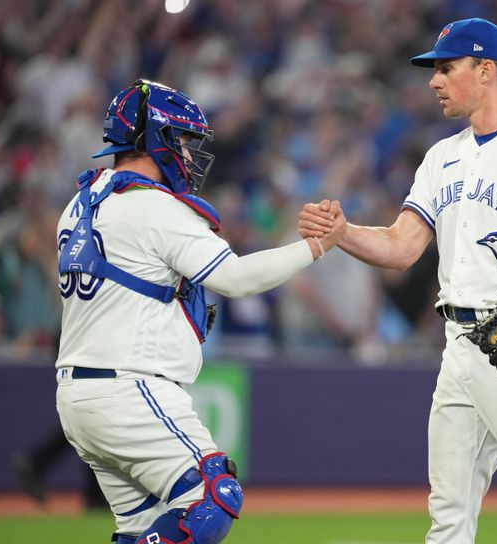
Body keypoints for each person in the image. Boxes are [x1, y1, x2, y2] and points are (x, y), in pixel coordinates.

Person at [299, 18, 497, 543]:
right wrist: (344, 232)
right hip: (459, 346)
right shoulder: (442, 157)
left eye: (446, 68)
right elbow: (401, 247)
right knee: (448, 513)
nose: (434, 80)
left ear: (486, 70)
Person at [55, 79, 345, 544]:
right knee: (213, 498)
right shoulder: (152, 205)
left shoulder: (79, 204)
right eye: (183, 142)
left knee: (138, 532)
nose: (188, 156)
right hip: (131, 389)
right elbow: (234, 278)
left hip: (77, 397)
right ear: (156, 138)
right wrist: (316, 246)